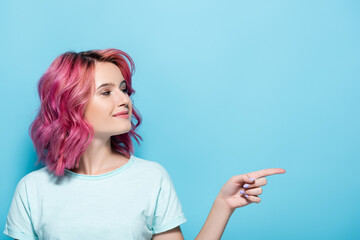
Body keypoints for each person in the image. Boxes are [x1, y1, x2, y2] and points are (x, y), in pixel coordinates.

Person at [3, 48, 286, 240]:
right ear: (72, 104)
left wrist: (223, 205)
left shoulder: (151, 178)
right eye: (106, 92)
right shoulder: (32, 190)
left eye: (124, 89)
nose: (124, 99)